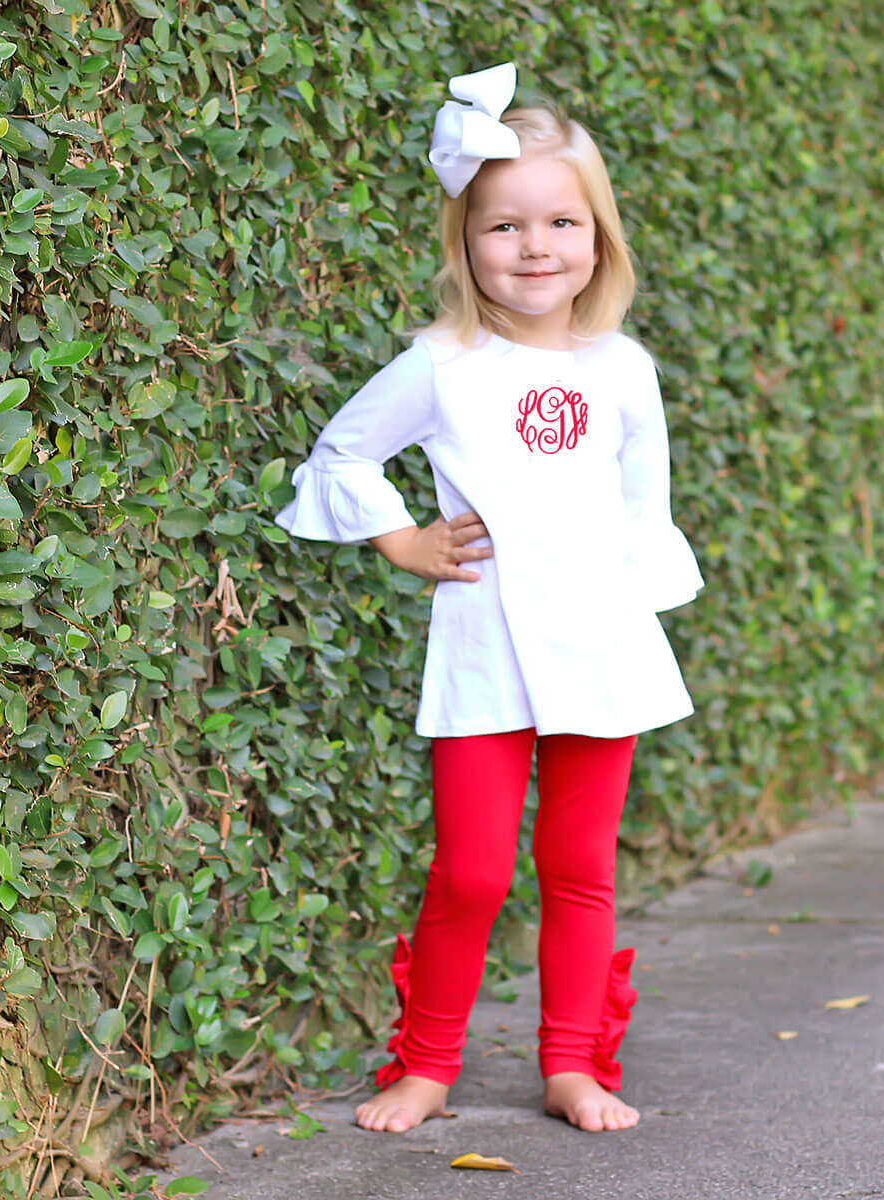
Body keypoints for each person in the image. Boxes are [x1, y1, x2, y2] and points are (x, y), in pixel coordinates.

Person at [274, 62, 704, 1134]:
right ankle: (425, 1065)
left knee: (577, 867)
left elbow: (645, 507)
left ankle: (573, 1066)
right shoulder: (442, 363)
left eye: (562, 221)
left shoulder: (624, 368)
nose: (536, 247)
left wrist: (635, 598)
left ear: (598, 238)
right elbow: (343, 454)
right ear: (466, 243)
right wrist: (402, 539)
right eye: (505, 227)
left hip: (600, 645)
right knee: (470, 870)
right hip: (484, 646)